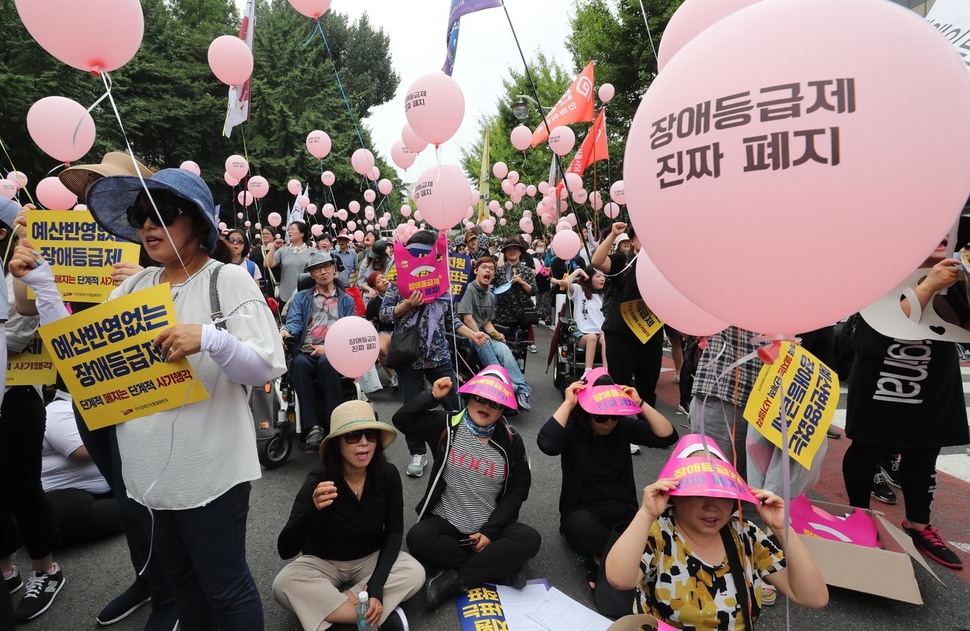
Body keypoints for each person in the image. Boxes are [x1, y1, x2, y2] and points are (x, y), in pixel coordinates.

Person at [11, 168, 286, 630]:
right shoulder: (137, 286)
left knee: (225, 585)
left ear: (198, 223)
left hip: (210, 471)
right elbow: (83, 351)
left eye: (163, 213)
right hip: (145, 471)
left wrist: (211, 339)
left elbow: (264, 365)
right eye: (140, 216)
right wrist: (42, 283)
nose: (148, 226)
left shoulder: (228, 280)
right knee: (182, 585)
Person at [48, 153, 175, 628]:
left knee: (151, 490)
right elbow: (27, 304)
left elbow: (189, 309)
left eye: (111, 187)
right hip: (83, 383)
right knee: (123, 493)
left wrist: (143, 285)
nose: (98, 197)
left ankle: (170, 590)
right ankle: (148, 578)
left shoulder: (159, 243)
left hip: (143, 383)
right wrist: (27, 264)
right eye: (93, 188)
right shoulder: (67, 238)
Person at [605, 435, 828, 629]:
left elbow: (814, 597)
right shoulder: (659, 532)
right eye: (698, 493)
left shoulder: (745, 535)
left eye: (722, 494)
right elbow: (619, 579)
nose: (711, 506)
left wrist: (782, 528)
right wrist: (646, 514)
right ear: (675, 494)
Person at [842, 246, 969, 570]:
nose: (942, 240)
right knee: (868, 445)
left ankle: (918, 523)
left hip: (931, 368)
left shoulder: (958, 267)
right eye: (933, 234)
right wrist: (928, 285)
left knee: (925, 447)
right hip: (886, 369)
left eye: (947, 234)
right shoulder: (886, 268)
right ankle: (860, 515)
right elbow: (886, 321)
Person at [393, 367, 541, 611]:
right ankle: (501, 568)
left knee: (530, 539)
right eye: (480, 397)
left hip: (488, 527)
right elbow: (402, 420)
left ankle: (454, 581)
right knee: (417, 538)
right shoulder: (447, 425)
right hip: (447, 522)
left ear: (503, 408)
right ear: (470, 397)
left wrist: (491, 532)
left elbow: (518, 489)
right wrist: (432, 396)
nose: (486, 406)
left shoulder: (511, 440)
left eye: (495, 402)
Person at [272, 401, 424, 631]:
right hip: (324, 561)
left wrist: (376, 587)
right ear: (337, 443)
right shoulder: (318, 481)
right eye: (352, 436)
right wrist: (312, 510)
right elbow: (285, 549)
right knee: (284, 584)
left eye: (370, 435)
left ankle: (337, 615)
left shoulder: (388, 474)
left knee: (414, 571)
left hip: (369, 558)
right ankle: (370, 619)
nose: (363, 442)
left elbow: (394, 532)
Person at [537, 369, 677, 604]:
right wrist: (570, 402)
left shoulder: (621, 428)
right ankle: (628, 565)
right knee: (579, 525)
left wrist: (639, 402)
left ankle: (602, 564)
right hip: (584, 515)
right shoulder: (574, 428)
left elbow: (668, 436)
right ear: (586, 412)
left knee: (657, 523)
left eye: (614, 416)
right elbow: (547, 443)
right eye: (600, 417)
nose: (609, 422)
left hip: (623, 514)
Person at [0, 197, 65, 624]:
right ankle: (5, 571)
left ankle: (46, 570)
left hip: (19, 393)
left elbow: (18, 334)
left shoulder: (26, 273)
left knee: (22, 486)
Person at [380, 230, 464, 478]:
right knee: (411, 407)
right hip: (409, 356)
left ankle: (458, 446)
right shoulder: (397, 285)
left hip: (439, 355)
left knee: (454, 403)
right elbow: (384, 315)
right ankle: (418, 452)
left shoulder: (443, 286)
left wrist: (473, 335)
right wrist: (406, 305)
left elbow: (452, 320)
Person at [281, 250, 356, 449]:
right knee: (298, 364)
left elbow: (350, 332)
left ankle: (335, 423)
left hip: (334, 353)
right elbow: (295, 322)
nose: (322, 272)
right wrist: (286, 332)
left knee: (327, 361)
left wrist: (329, 348)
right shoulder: (301, 298)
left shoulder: (346, 300)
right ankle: (312, 427)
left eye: (326, 267)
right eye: (317, 269)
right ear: (311, 274)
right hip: (305, 351)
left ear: (333, 269)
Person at [592, 222, 664, 412]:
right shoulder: (624, 260)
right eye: (641, 235)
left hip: (651, 336)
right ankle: (617, 428)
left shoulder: (665, 266)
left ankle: (645, 430)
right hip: (620, 334)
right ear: (632, 240)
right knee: (618, 385)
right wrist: (613, 234)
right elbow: (597, 261)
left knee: (647, 388)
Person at [41, 390, 123, 547]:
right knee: (62, 516)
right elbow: (82, 452)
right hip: (64, 494)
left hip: (101, 487)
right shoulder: (58, 410)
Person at [456, 255, 533, 411]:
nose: (488, 271)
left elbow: (487, 323)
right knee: (483, 341)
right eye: (484, 267)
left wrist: (497, 335)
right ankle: (505, 384)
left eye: (491, 269)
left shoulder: (491, 296)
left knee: (504, 348)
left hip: (482, 334)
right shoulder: (468, 289)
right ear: (476, 270)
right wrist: (480, 335)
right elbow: (468, 319)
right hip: (467, 335)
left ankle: (522, 389)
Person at [494, 237, 537, 354]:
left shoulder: (527, 270)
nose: (512, 251)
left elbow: (533, 291)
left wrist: (522, 282)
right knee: (503, 349)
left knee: (521, 351)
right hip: (503, 315)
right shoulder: (499, 271)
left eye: (515, 249)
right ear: (505, 252)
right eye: (509, 249)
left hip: (522, 316)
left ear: (520, 252)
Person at [563, 264, 607, 377]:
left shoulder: (606, 294)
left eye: (603, 276)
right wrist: (578, 271)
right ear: (589, 278)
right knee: (591, 336)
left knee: (606, 338)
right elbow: (566, 283)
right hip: (582, 334)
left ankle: (606, 371)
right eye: (598, 276)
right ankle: (587, 371)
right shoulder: (579, 291)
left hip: (601, 333)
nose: (602, 279)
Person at [364, 272, 397, 390]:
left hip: (403, 327)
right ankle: (393, 376)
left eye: (383, 277)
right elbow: (368, 319)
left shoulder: (400, 293)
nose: (383, 281)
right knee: (380, 347)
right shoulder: (373, 303)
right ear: (374, 288)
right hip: (386, 330)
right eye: (378, 281)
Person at [268, 220, 312, 305]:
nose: (289, 231)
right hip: (285, 295)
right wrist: (274, 247)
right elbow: (268, 264)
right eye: (289, 229)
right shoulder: (283, 251)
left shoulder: (312, 252)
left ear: (302, 234)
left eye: (293, 229)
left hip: (306, 294)